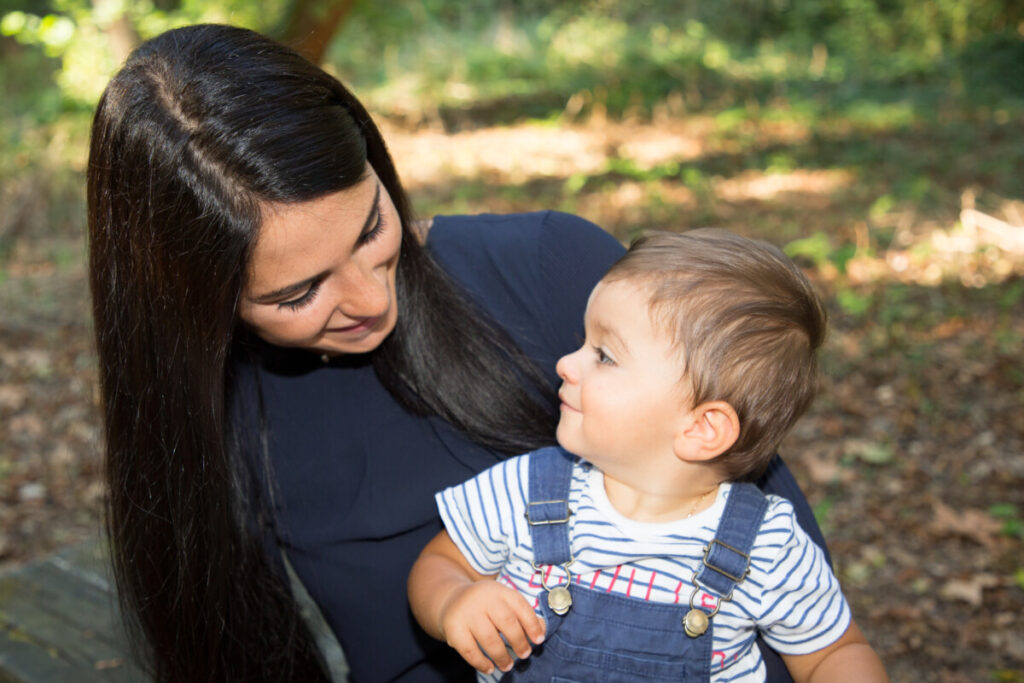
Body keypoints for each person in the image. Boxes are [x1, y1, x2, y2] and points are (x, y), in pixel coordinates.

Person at [89, 23, 832, 683]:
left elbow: (792, 580)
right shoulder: (212, 420)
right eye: (299, 293)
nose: (371, 300)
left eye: (370, 227)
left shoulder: (560, 271)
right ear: (199, 306)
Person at [409, 230, 888, 682]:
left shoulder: (765, 548)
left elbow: (834, 653)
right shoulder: (524, 493)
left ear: (702, 428)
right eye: (584, 343)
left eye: (604, 356)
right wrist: (454, 600)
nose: (564, 364)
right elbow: (439, 564)